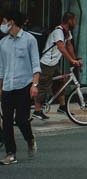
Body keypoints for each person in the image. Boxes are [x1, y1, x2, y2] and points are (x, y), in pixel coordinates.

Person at [0, 11, 39, 165]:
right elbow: (1, 68)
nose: (2, 25)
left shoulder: (30, 40)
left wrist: (34, 85)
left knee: (21, 120)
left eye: (4, 21)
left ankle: (30, 139)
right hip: (8, 87)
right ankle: (11, 153)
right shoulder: (3, 43)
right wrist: (1, 87)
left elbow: (36, 64)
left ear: (12, 22)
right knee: (7, 121)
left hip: (25, 85)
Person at [32, 12, 82, 120]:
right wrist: (72, 60)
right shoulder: (58, 31)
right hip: (46, 63)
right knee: (43, 87)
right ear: (69, 20)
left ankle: (62, 107)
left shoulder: (67, 32)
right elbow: (61, 47)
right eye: (74, 20)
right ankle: (37, 110)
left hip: (54, 63)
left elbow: (69, 46)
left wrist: (75, 59)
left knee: (60, 83)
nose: (76, 22)